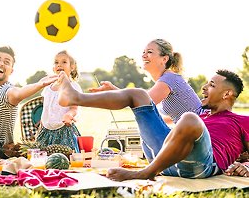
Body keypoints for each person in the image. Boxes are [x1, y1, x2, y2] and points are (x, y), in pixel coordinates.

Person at [57, 69, 249, 180]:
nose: (204, 88)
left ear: (227, 95)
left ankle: (145, 173)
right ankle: (76, 97)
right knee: (139, 94)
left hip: (198, 165)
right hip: (164, 155)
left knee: (189, 118)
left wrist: (247, 165)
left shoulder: (241, 121)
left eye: (212, 85)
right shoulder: (202, 115)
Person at [90, 39, 203, 124]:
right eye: (143, 52)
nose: (143, 55)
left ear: (164, 59)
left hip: (205, 134)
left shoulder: (168, 80)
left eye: (149, 52)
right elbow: (172, 116)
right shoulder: (167, 79)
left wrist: (114, 91)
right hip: (199, 131)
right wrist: (114, 90)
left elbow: (140, 102)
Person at [36, 50, 82, 153]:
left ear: (72, 67)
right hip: (46, 132)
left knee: (64, 158)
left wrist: (69, 115)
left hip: (64, 131)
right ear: (53, 67)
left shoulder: (72, 86)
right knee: (42, 158)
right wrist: (41, 127)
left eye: (64, 62)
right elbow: (46, 109)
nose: (59, 65)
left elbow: (74, 108)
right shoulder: (48, 87)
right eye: (56, 62)